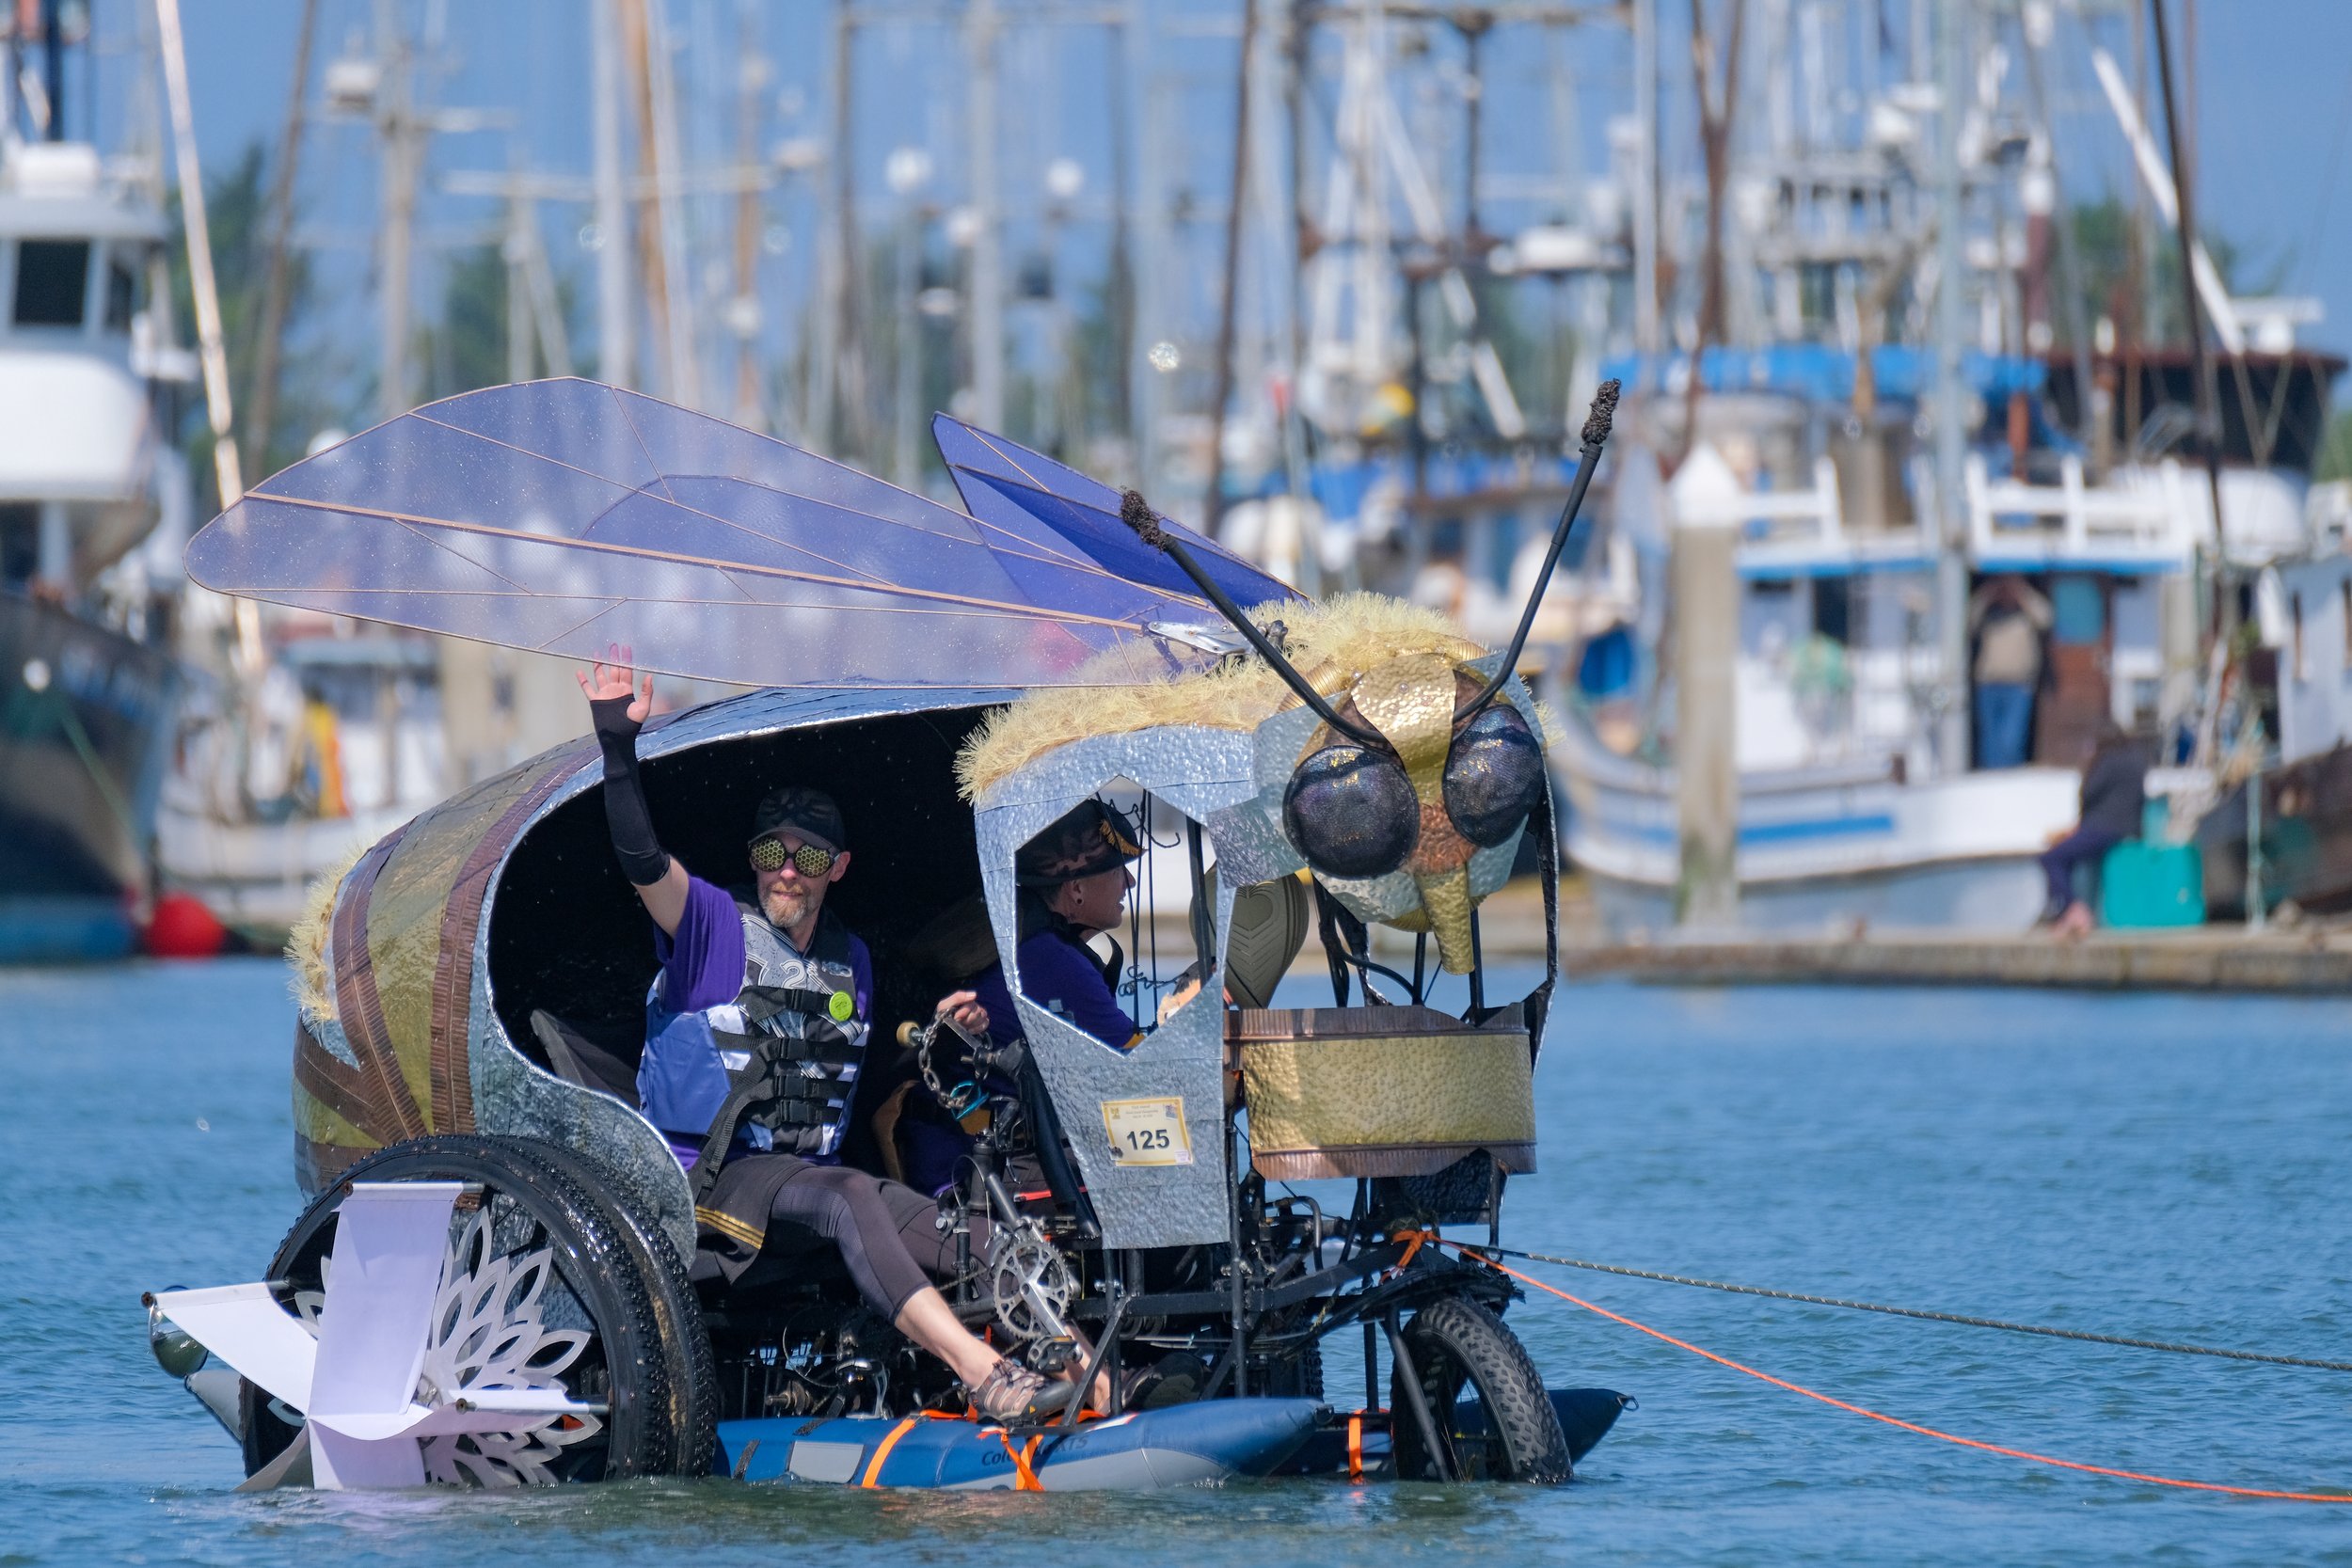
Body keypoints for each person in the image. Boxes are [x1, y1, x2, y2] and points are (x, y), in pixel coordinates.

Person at [580, 653, 1073, 1423]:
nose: (787, 872)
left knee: (966, 1229)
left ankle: (1087, 1373)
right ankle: (985, 1373)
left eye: (807, 857)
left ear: (835, 867)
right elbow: (643, 861)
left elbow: (865, 1077)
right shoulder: (711, 925)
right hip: (710, 1187)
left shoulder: (855, 960)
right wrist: (617, 750)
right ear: (754, 859)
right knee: (848, 1197)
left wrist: (943, 1037)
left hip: (807, 1181)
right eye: (772, 853)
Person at [898, 799, 1147, 1201]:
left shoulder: (1025, 944)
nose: (1129, 884)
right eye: (1117, 871)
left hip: (943, 1154)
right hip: (972, 1170)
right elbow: (1142, 1069)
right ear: (1076, 888)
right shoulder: (1052, 960)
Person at [2036, 722, 2148, 937]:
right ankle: (2070, 912)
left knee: (2052, 858)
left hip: (2102, 829)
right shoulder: (2137, 761)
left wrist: (2089, 764)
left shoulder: (2106, 760)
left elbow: (2088, 794)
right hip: (2130, 830)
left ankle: (2072, 910)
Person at [1969, 575, 2053, 769]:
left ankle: (2011, 776)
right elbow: (1968, 620)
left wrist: (2022, 592)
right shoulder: (1988, 616)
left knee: (2012, 738)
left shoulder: (2025, 616)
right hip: (1988, 684)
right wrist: (1987, 594)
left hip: (2018, 684)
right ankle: (1991, 779)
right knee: (1990, 739)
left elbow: (2046, 617)